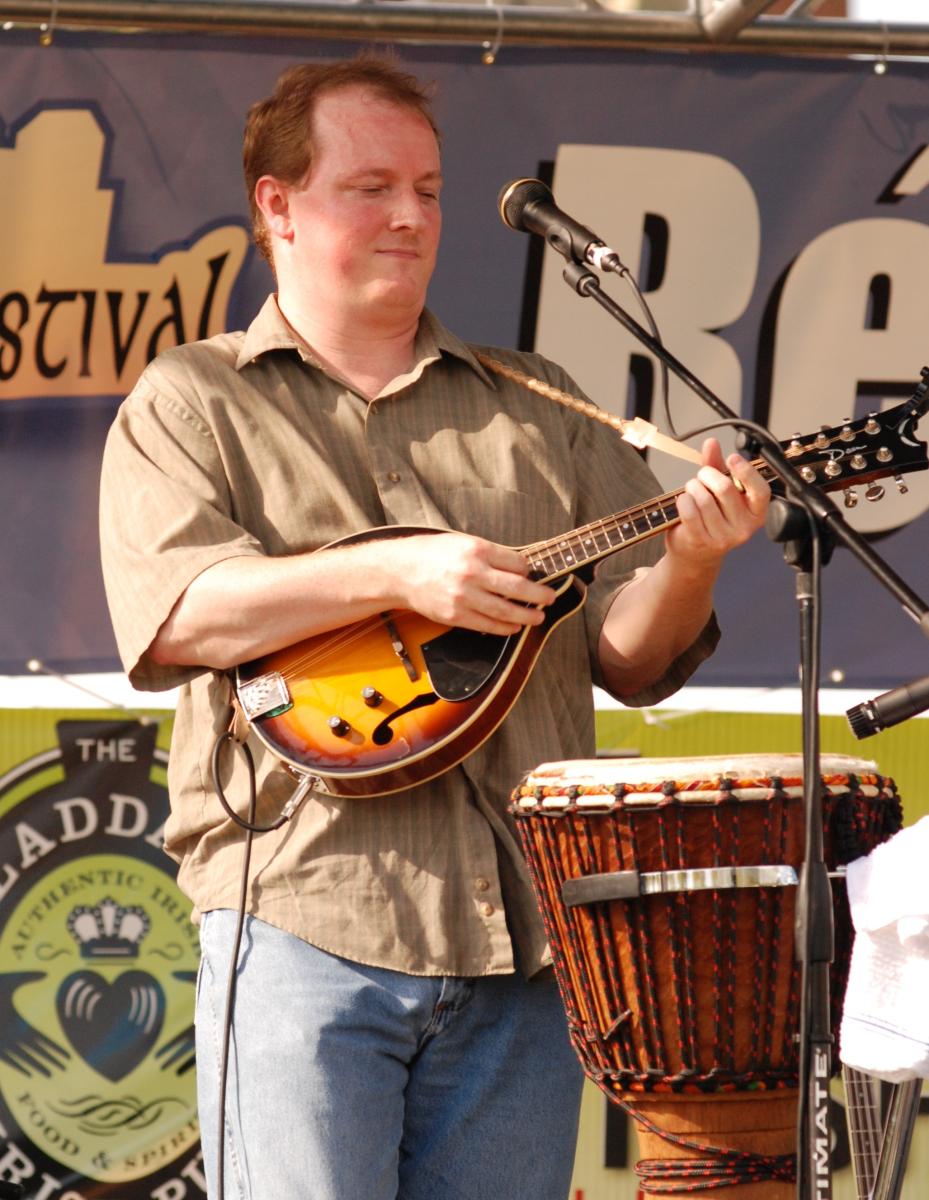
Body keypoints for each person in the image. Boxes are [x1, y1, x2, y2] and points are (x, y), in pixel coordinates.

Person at [99, 56, 770, 1200]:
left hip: (525, 940)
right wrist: (396, 572)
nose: (410, 216)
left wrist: (694, 559)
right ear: (277, 206)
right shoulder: (194, 398)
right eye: (370, 188)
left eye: (427, 188)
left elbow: (629, 656)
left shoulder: (536, 402)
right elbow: (178, 613)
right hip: (304, 918)